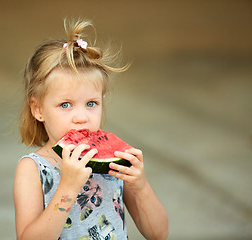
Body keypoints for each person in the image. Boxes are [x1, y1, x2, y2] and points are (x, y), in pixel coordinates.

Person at [13, 18, 168, 240]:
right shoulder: (33, 170)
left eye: (91, 103)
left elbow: (159, 233)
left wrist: (141, 187)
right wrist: (67, 188)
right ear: (38, 109)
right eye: (65, 105)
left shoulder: (114, 163)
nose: (81, 117)